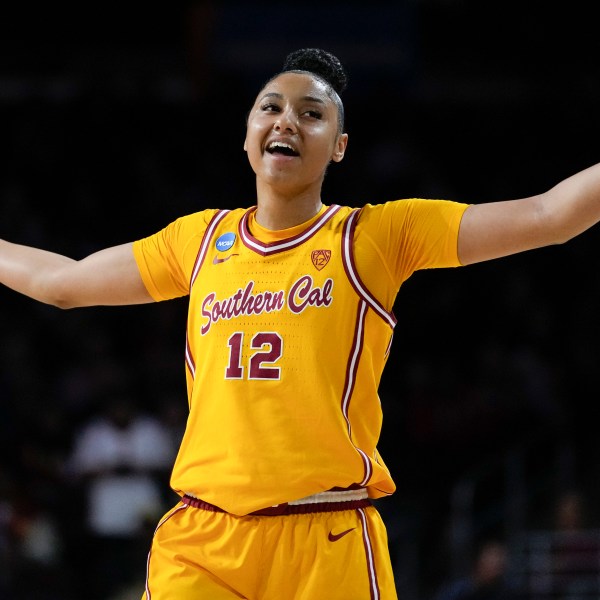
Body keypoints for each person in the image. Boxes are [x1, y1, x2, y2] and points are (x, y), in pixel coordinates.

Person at [1, 47, 600, 600]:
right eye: (271, 107)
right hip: (203, 538)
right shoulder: (199, 241)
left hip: (326, 535)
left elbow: (550, 215)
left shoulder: (375, 238)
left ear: (338, 145)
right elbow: (63, 283)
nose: (287, 120)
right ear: (247, 136)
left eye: (311, 113)